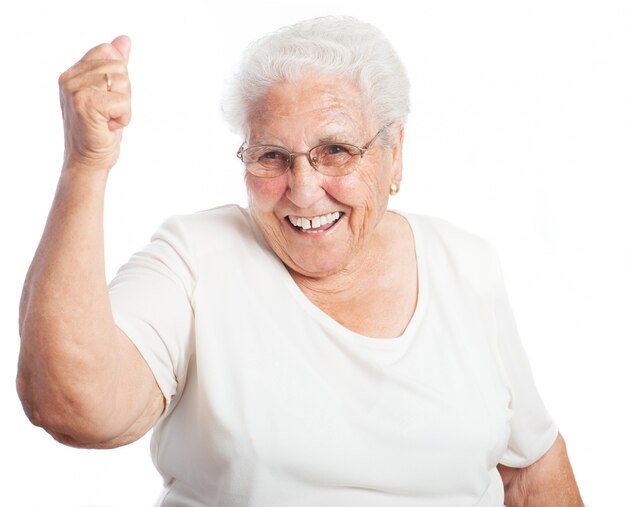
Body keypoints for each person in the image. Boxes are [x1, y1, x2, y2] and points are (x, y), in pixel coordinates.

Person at [17, 16, 584, 506]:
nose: (304, 190)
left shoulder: (466, 264)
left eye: (335, 150)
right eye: (272, 157)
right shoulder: (197, 258)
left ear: (395, 155)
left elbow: (532, 470)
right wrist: (86, 166)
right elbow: (74, 407)